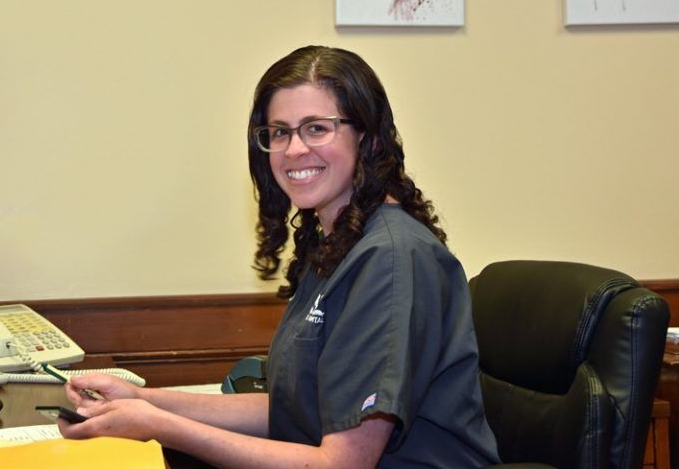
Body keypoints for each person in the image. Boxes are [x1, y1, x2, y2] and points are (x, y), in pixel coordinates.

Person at [59, 46, 500, 468]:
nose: (293, 151)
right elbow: (294, 412)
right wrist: (144, 400)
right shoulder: (337, 243)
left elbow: (341, 463)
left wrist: (157, 426)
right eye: (280, 132)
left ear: (366, 138)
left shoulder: (391, 258)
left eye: (317, 128)